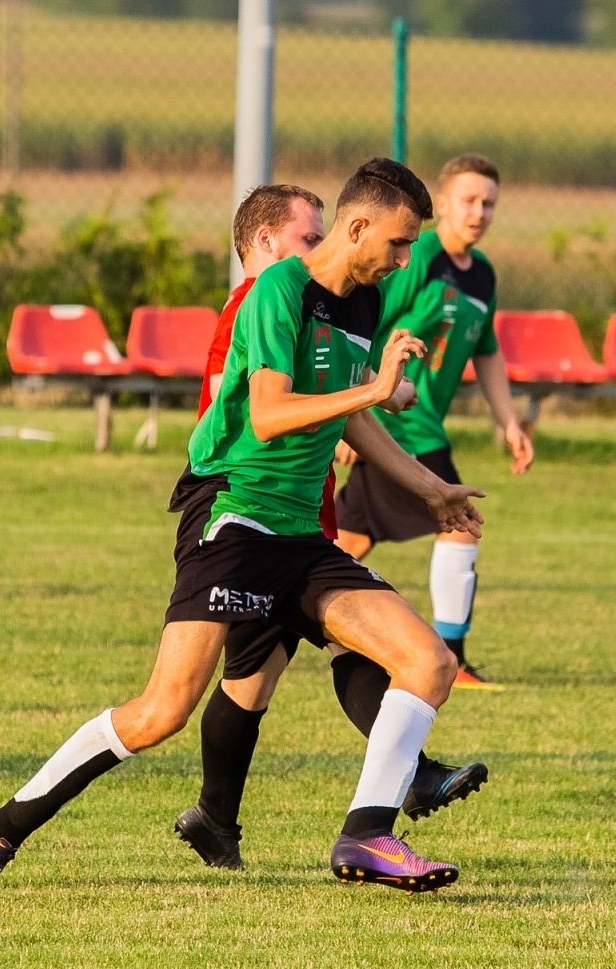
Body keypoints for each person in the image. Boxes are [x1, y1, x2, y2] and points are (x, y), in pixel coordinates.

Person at [0, 158, 484, 895]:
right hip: (233, 517)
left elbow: (352, 414)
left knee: (428, 663)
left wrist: (431, 490)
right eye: (396, 245)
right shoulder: (278, 291)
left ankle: (367, 836)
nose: (403, 260)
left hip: (300, 534)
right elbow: (268, 415)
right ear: (357, 227)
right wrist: (371, 387)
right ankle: (2, 825)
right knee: (163, 710)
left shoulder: (365, 302)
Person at [171, 182, 489, 871]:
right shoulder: (256, 301)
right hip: (251, 505)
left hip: (304, 504)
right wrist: (369, 392)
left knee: (276, 668)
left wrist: (391, 414)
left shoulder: (343, 301)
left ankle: (227, 818)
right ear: (265, 245)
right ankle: (400, 784)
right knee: (212, 690)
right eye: (309, 238)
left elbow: (339, 390)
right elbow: (270, 407)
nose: (321, 250)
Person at [334, 154, 532, 690]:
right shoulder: (415, 259)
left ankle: (268, 619)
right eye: (468, 199)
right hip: (399, 425)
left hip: (405, 424)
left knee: (346, 540)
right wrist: (354, 406)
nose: (480, 211)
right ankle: (454, 657)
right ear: (441, 204)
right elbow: (363, 325)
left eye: (489, 202)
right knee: (460, 524)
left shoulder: (482, 274)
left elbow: (486, 351)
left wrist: (509, 422)